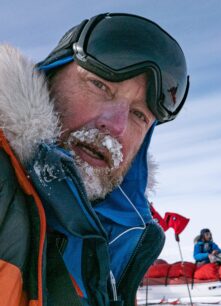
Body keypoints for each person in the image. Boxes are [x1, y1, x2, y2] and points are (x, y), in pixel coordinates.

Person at [0, 13, 189, 306]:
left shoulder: (119, 239)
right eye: (100, 86)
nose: (116, 126)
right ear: (48, 78)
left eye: (139, 115)